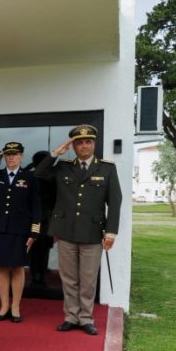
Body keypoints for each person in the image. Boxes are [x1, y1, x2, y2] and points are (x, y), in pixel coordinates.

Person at [33, 124, 122, 336]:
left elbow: (115, 202)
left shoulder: (107, 168)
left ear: (94, 144)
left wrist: (111, 233)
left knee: (88, 279)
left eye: (88, 142)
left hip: (92, 233)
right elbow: (39, 173)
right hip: (65, 232)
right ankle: (71, 316)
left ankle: (86, 318)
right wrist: (55, 153)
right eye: (79, 142)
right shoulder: (63, 166)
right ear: (73, 146)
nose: (84, 145)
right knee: (69, 278)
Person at [0, 142, 41, 322]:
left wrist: (34, 232)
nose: (11, 157)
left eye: (15, 154)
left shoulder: (29, 177)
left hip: (20, 230)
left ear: (22, 156)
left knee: (18, 267)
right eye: (8, 154)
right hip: (0, 229)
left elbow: (36, 206)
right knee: (2, 267)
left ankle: (16, 306)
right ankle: (4, 305)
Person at [27, 150, 57, 288]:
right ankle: (41, 276)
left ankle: (35, 275)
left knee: (34, 250)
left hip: (35, 219)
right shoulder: (51, 177)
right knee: (43, 250)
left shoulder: (31, 176)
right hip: (46, 219)